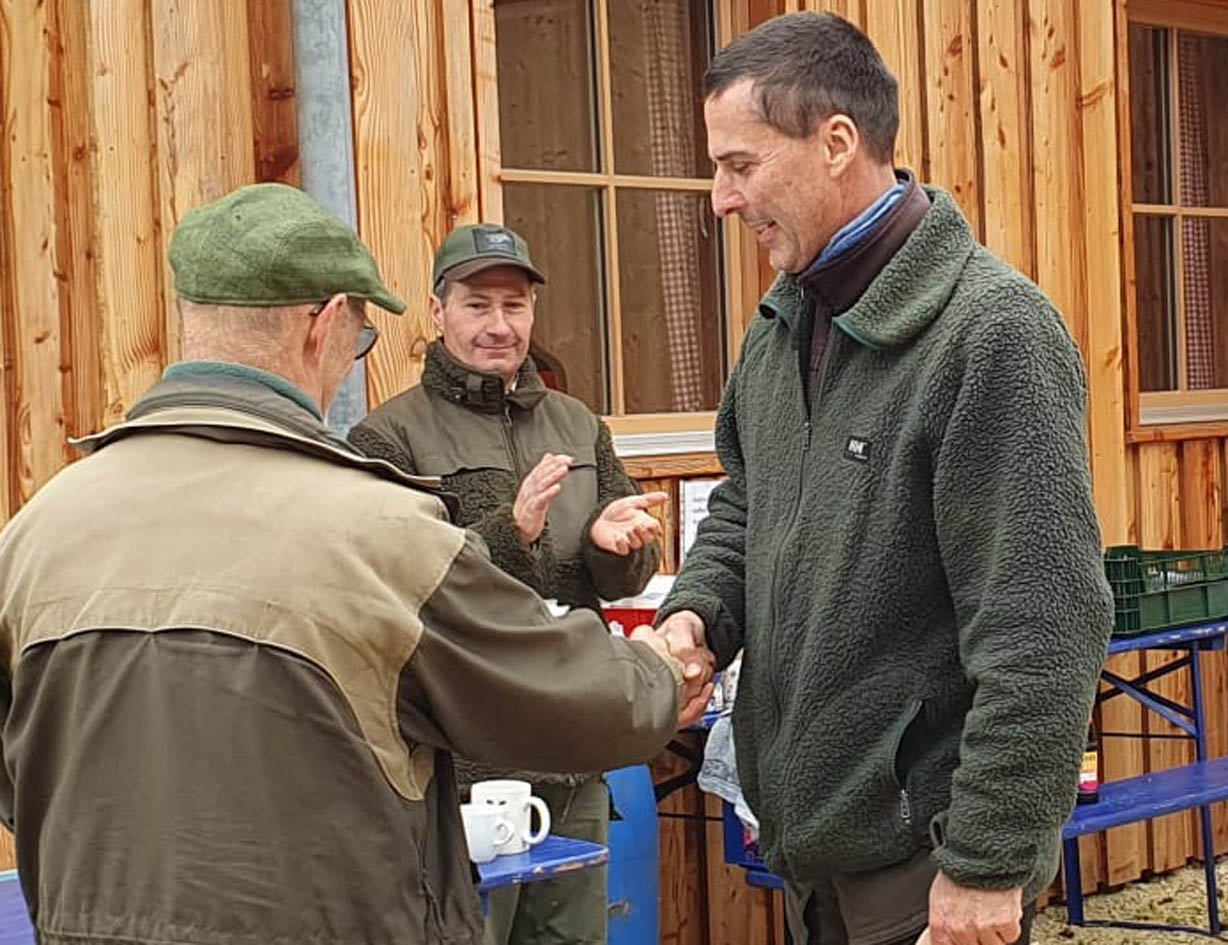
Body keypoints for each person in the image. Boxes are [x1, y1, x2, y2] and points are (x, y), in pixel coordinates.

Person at [0, 183, 710, 945]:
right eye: (361, 337)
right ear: (326, 323)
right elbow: (550, 693)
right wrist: (659, 671)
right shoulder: (374, 523)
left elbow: (19, 777)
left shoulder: (38, 526)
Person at [653, 13, 1113, 945]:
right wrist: (695, 614)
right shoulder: (784, 322)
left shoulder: (992, 333)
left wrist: (987, 863)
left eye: (740, 165)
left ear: (836, 143)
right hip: (812, 857)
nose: (721, 199)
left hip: (927, 872)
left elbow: (1043, 624)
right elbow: (745, 501)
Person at [348, 222, 668, 945]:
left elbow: (624, 575)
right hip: (463, 767)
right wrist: (510, 530)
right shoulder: (386, 439)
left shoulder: (578, 424)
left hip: (573, 750)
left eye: (514, 306)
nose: (499, 325)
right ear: (438, 313)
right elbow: (394, 588)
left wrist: (616, 547)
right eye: (477, 304)